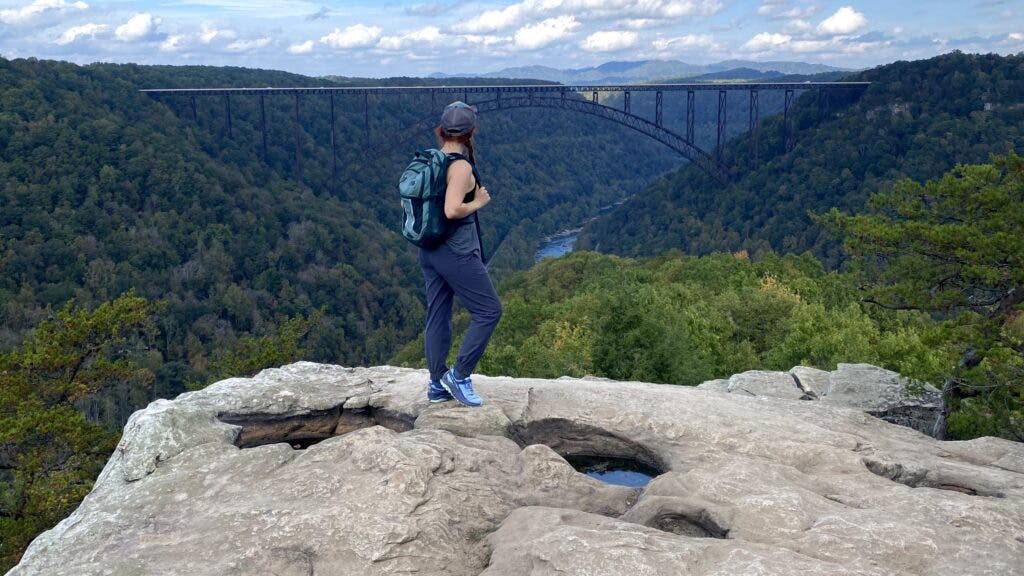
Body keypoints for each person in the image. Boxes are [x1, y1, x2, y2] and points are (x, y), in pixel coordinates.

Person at [419, 101, 502, 407]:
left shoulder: (431, 160)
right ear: (471, 132)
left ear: (441, 131)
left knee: (438, 313)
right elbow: (453, 209)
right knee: (489, 311)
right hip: (457, 250)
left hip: (430, 248)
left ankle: (436, 384)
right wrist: (478, 201)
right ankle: (460, 375)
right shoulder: (460, 165)